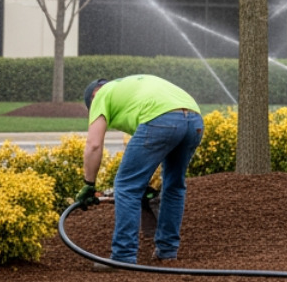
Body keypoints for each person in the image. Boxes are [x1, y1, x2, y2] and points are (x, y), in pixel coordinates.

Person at [77, 75, 205, 269]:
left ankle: (123, 256)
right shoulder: (130, 87)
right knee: (174, 186)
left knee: (126, 186)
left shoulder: (101, 95)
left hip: (161, 118)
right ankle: (167, 252)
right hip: (194, 119)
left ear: (93, 97)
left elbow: (94, 145)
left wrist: (89, 184)